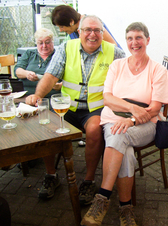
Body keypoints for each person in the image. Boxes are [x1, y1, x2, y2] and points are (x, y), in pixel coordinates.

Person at [25, 15, 125, 203]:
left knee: (94, 129)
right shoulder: (65, 48)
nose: (92, 34)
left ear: (103, 34)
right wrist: (38, 95)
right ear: (79, 32)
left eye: (97, 30)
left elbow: (130, 77)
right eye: (88, 30)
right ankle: (51, 176)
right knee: (46, 125)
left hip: (95, 109)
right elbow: (50, 76)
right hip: (67, 107)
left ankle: (88, 180)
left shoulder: (115, 53)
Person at [81, 22, 168, 226]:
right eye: (129, 38)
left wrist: (131, 120)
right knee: (125, 149)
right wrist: (132, 109)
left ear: (148, 40)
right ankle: (125, 208)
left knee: (119, 135)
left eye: (138, 37)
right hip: (113, 119)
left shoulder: (158, 70)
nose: (134, 42)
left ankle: (102, 198)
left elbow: (155, 108)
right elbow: (108, 99)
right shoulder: (117, 65)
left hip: (146, 124)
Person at [14, 28, 61, 96]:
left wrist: (60, 85)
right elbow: (17, 71)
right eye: (40, 43)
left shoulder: (59, 55)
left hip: (52, 96)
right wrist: (27, 74)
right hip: (27, 95)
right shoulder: (29, 53)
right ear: (36, 43)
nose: (44, 46)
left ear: (53, 42)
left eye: (47, 42)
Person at [51, 4, 122, 49]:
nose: (60, 30)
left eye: (62, 27)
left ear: (71, 22)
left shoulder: (91, 24)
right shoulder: (72, 31)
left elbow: (114, 46)